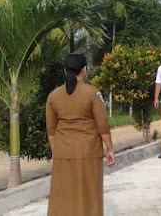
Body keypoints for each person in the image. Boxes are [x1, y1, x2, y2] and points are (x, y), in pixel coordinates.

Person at [46, 53, 115, 216]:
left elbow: (51, 129)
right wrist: (110, 149)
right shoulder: (92, 93)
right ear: (85, 70)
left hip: (63, 152)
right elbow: (102, 125)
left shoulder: (53, 96)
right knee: (89, 194)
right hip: (88, 152)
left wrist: (58, 152)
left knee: (63, 196)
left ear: (65, 71)